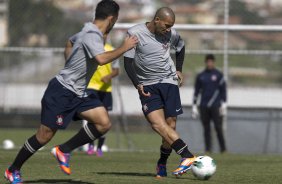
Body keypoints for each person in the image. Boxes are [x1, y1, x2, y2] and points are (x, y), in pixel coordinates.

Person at [4, 1, 138, 183]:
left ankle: (63, 150)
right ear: (112, 18)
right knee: (44, 136)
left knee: (103, 123)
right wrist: (125, 47)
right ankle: (13, 170)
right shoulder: (92, 34)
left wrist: (70, 63)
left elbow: (69, 42)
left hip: (78, 93)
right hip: (62, 92)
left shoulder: (89, 30)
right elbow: (101, 59)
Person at [124, 7, 195, 178]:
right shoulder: (135, 33)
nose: (169, 30)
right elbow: (128, 62)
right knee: (157, 125)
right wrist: (137, 84)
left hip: (169, 82)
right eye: (167, 25)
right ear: (156, 20)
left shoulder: (172, 34)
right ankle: (187, 156)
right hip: (147, 85)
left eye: (171, 26)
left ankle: (162, 163)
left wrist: (179, 69)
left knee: (170, 127)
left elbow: (181, 47)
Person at [192, 54, 227, 153]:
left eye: (211, 61)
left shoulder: (219, 75)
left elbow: (223, 90)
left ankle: (223, 149)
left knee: (218, 127)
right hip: (204, 106)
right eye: (208, 61)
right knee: (206, 129)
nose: (210, 63)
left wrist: (224, 104)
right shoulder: (201, 76)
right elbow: (196, 91)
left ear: (214, 62)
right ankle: (208, 149)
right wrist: (194, 106)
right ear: (206, 62)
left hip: (216, 106)